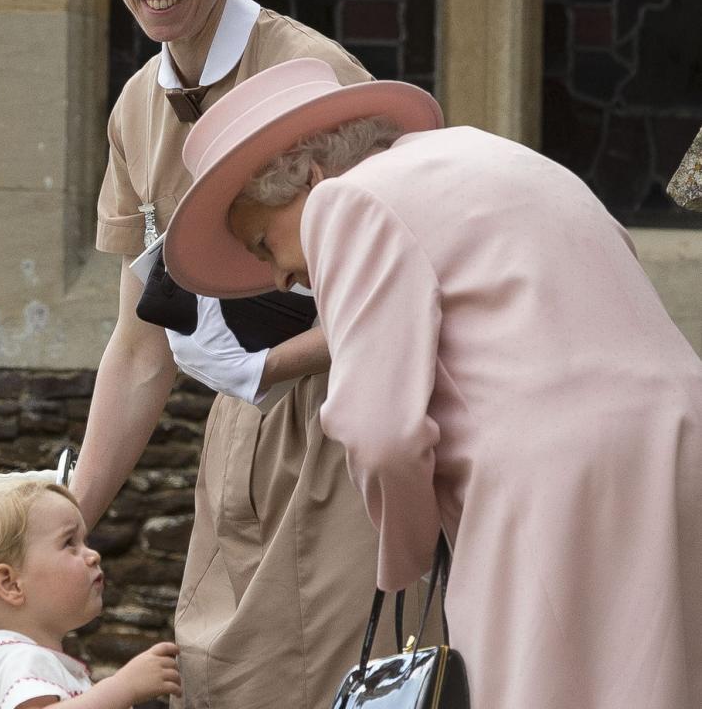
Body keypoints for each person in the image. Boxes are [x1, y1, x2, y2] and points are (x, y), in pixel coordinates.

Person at [163, 56, 702, 708]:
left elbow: (380, 432)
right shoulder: (502, 158)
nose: (279, 279)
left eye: (262, 244)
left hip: (548, 485)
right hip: (680, 447)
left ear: (306, 176)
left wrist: (408, 556)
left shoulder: (346, 199)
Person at [65, 0, 416, 705]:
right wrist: (68, 516)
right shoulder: (136, 108)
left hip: (350, 441)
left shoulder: (314, 78)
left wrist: (268, 364)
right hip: (236, 450)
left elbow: (408, 292)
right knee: (217, 683)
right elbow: (142, 347)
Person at [0, 480, 181, 709]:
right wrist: (123, 688)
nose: (93, 555)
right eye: (69, 543)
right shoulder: (17, 658)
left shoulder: (20, 657)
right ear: (11, 584)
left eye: (85, 542)